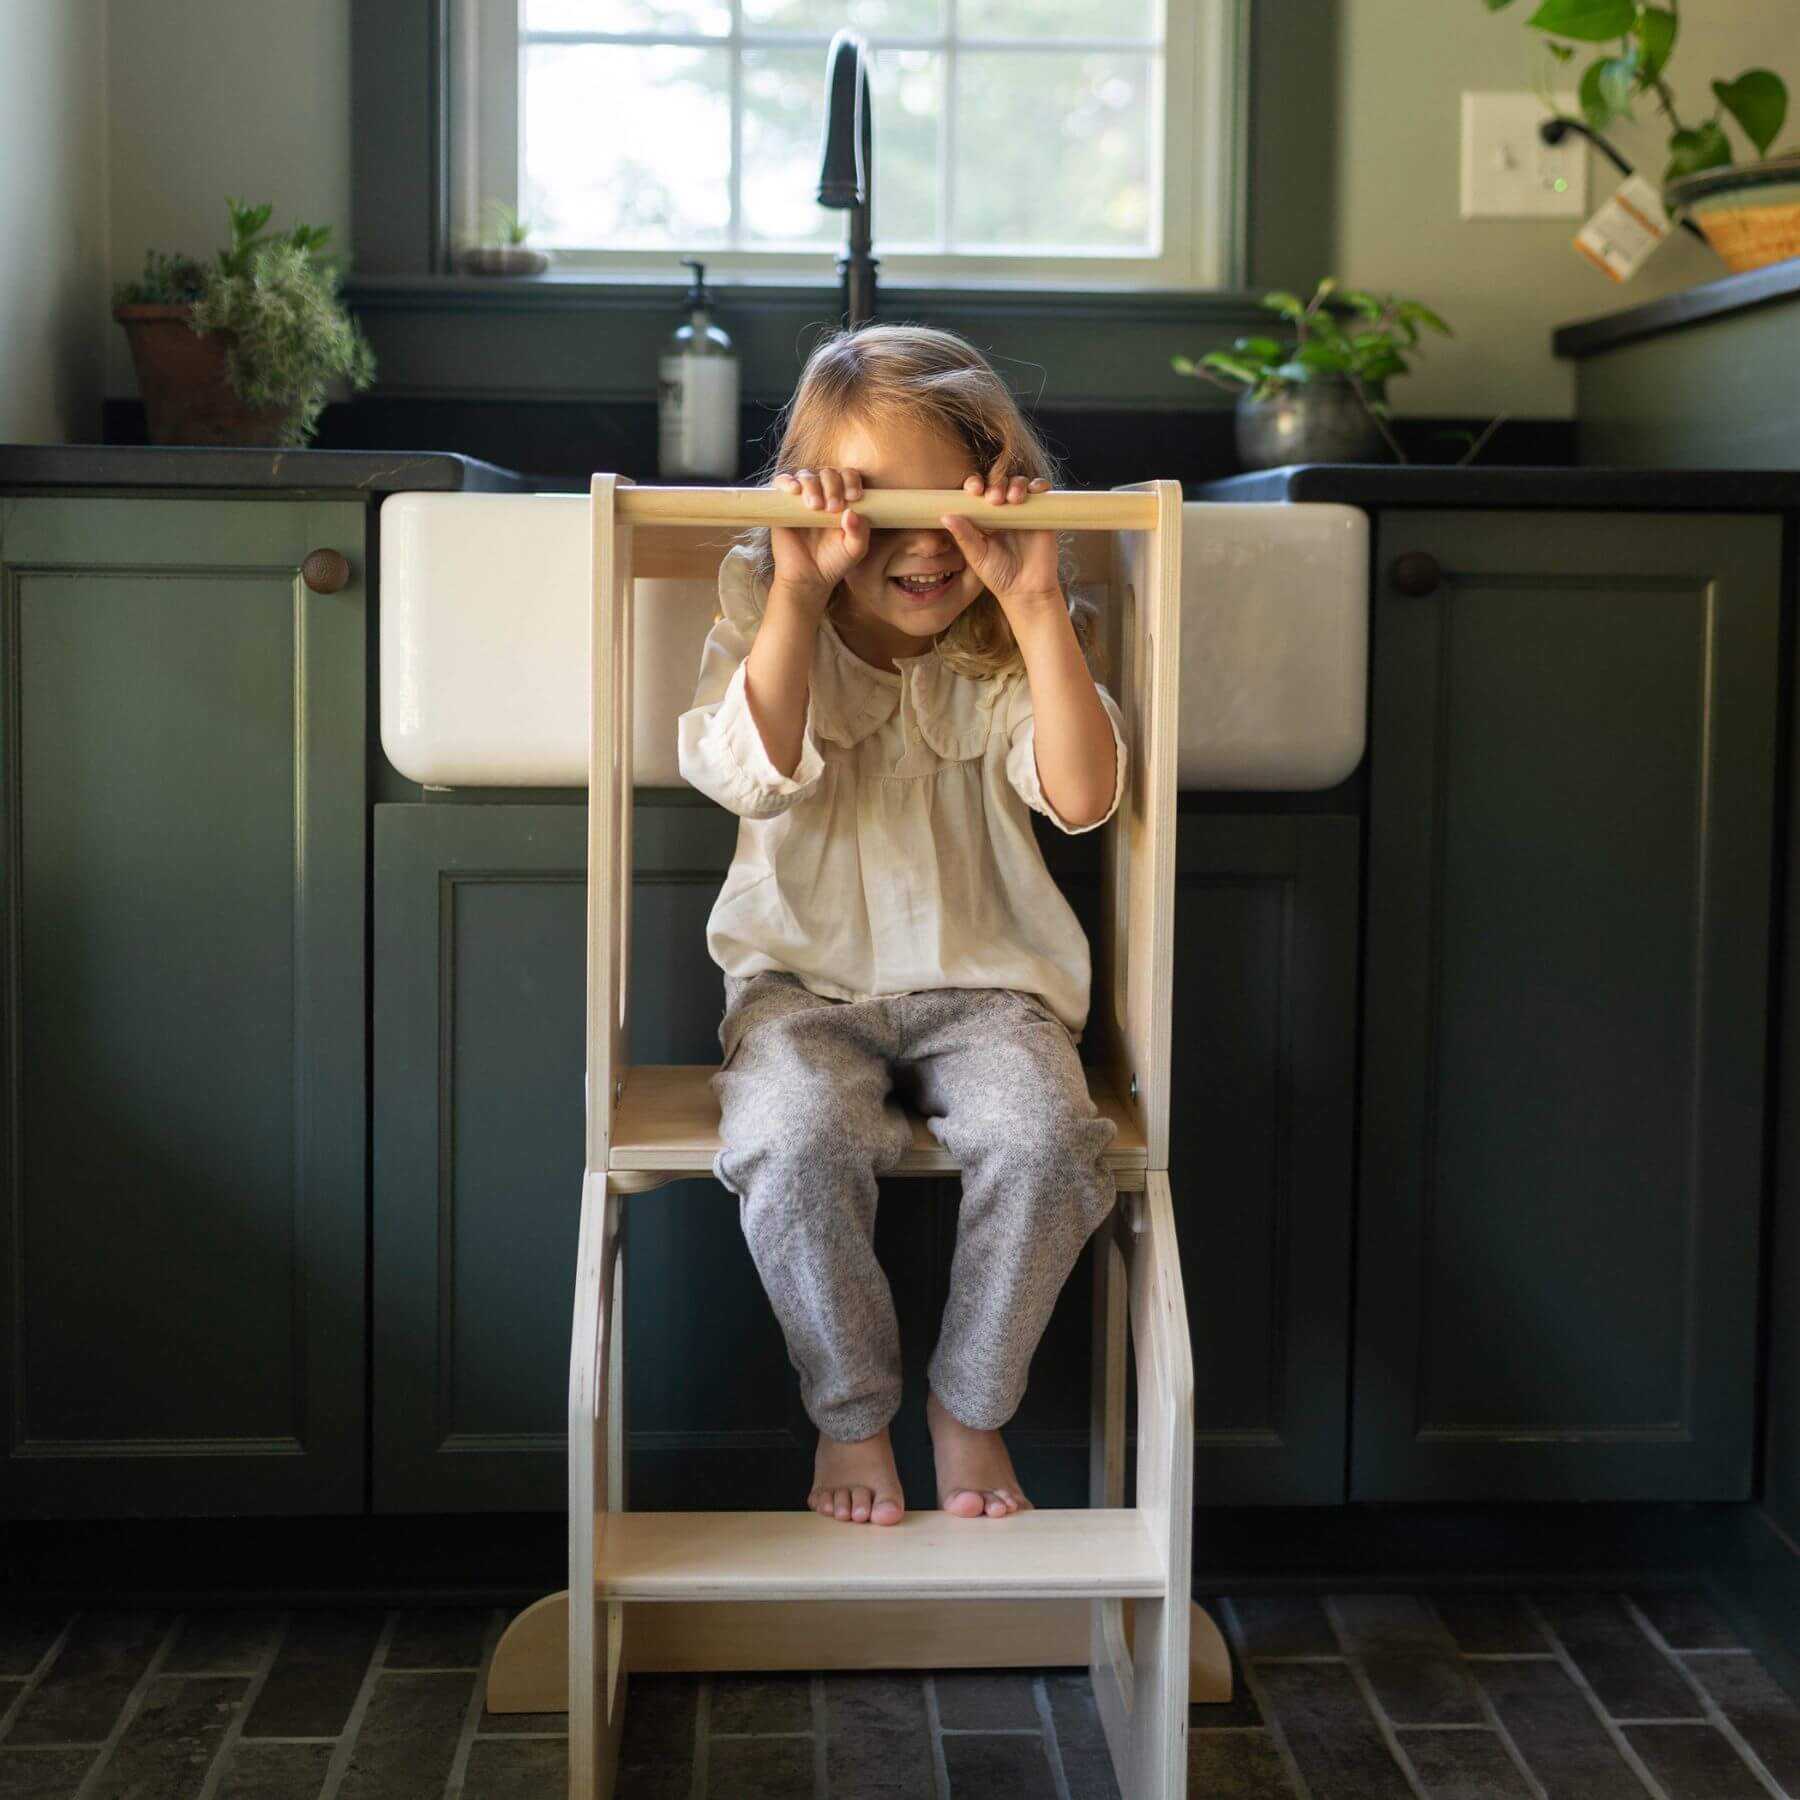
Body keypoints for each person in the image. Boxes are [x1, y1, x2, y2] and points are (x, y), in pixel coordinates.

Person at [676, 323, 1129, 1528]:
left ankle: (972, 1405)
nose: (924, 543)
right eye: (881, 511)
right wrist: (797, 590)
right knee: (790, 1139)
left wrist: (1035, 603)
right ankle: (852, 1416)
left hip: (990, 992)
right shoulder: (769, 610)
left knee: (1047, 1137)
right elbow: (751, 776)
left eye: (951, 505)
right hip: (800, 991)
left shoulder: (1009, 641)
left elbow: (1084, 796)